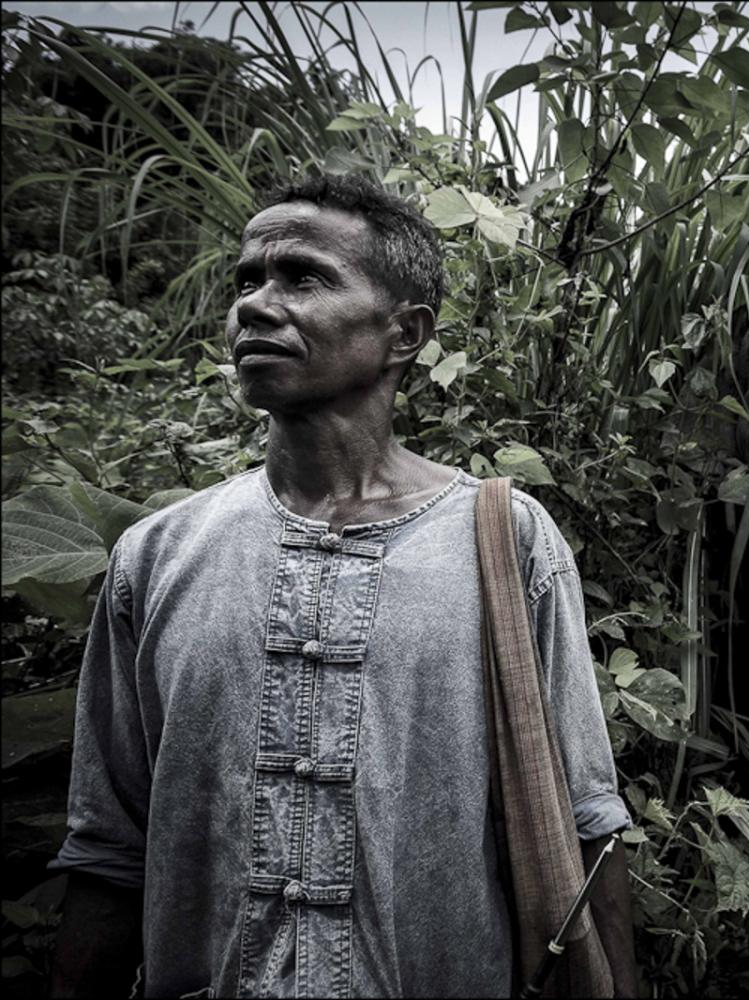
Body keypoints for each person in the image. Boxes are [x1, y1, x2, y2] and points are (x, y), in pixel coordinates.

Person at [48, 174, 638, 998]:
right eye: (246, 280)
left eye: (302, 277)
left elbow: (586, 821)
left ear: (405, 333)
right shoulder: (156, 556)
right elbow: (110, 850)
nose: (254, 305)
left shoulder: (507, 540)